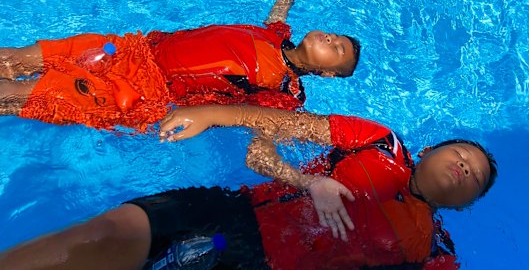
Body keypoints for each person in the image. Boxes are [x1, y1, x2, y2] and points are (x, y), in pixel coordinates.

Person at [0, 105, 498, 270]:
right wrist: (308, 180)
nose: (464, 165)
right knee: (106, 233)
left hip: (259, 263)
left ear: (469, 205)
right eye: (460, 153)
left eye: (474, 175)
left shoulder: (433, 251)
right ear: (430, 149)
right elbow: (272, 129)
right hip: (230, 217)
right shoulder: (379, 142)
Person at [0, 0, 361, 131]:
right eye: (333, 34)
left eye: (337, 48)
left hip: (139, 89)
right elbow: (281, 8)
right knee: (18, 57)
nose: (329, 37)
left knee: (25, 92)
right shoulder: (276, 34)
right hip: (128, 49)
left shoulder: (281, 91)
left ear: (327, 73)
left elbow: (270, 125)